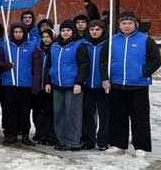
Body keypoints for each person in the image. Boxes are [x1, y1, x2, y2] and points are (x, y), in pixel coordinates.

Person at [102, 11, 161, 156]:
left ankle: (141, 146)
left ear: (135, 24)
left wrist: (143, 72)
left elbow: (156, 59)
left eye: (130, 23)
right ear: (119, 25)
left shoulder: (145, 40)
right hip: (117, 84)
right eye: (124, 23)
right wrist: (105, 78)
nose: (127, 26)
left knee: (139, 117)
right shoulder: (112, 40)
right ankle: (117, 144)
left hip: (138, 85)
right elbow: (103, 61)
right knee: (117, 116)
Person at [0, 23, 41, 146]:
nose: (18, 34)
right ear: (12, 33)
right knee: (9, 110)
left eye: (20, 32)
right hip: (9, 84)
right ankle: (10, 134)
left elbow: (37, 68)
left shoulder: (32, 46)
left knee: (24, 111)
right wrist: (6, 65)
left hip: (25, 84)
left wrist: (35, 85)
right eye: (15, 32)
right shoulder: (5, 46)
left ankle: (25, 134)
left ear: (24, 33)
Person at [45, 20, 88, 151]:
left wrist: (79, 82)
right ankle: (61, 140)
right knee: (59, 113)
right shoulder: (55, 46)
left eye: (68, 30)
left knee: (72, 113)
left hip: (72, 85)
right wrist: (47, 81)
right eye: (63, 30)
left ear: (72, 31)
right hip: (57, 84)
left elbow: (83, 65)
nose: (65, 33)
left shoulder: (79, 45)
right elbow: (48, 65)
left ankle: (73, 141)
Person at [81, 20, 109, 150]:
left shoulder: (108, 44)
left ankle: (103, 141)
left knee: (104, 115)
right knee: (88, 115)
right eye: (92, 29)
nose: (94, 32)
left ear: (103, 30)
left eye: (97, 29)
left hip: (103, 85)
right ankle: (89, 140)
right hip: (87, 85)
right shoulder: (84, 44)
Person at [33, 29, 57, 145]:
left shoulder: (55, 49)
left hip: (50, 86)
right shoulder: (38, 50)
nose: (46, 39)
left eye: (48, 37)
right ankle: (40, 133)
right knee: (38, 112)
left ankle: (50, 135)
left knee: (50, 112)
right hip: (38, 86)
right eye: (43, 37)